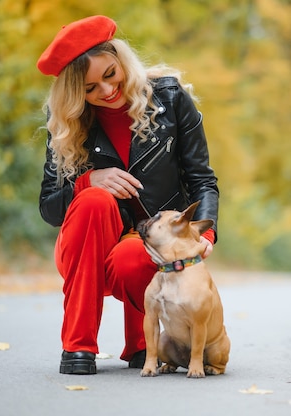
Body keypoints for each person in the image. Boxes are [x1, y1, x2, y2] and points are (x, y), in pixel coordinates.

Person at [36, 15, 219, 375]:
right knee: (93, 199)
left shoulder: (169, 97)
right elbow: (49, 207)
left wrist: (204, 233)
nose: (106, 91)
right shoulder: (66, 124)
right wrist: (89, 181)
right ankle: (78, 347)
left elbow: (201, 178)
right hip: (83, 250)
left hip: (148, 245)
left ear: (121, 61)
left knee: (137, 253)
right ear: (75, 95)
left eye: (110, 74)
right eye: (89, 89)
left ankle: (141, 346)